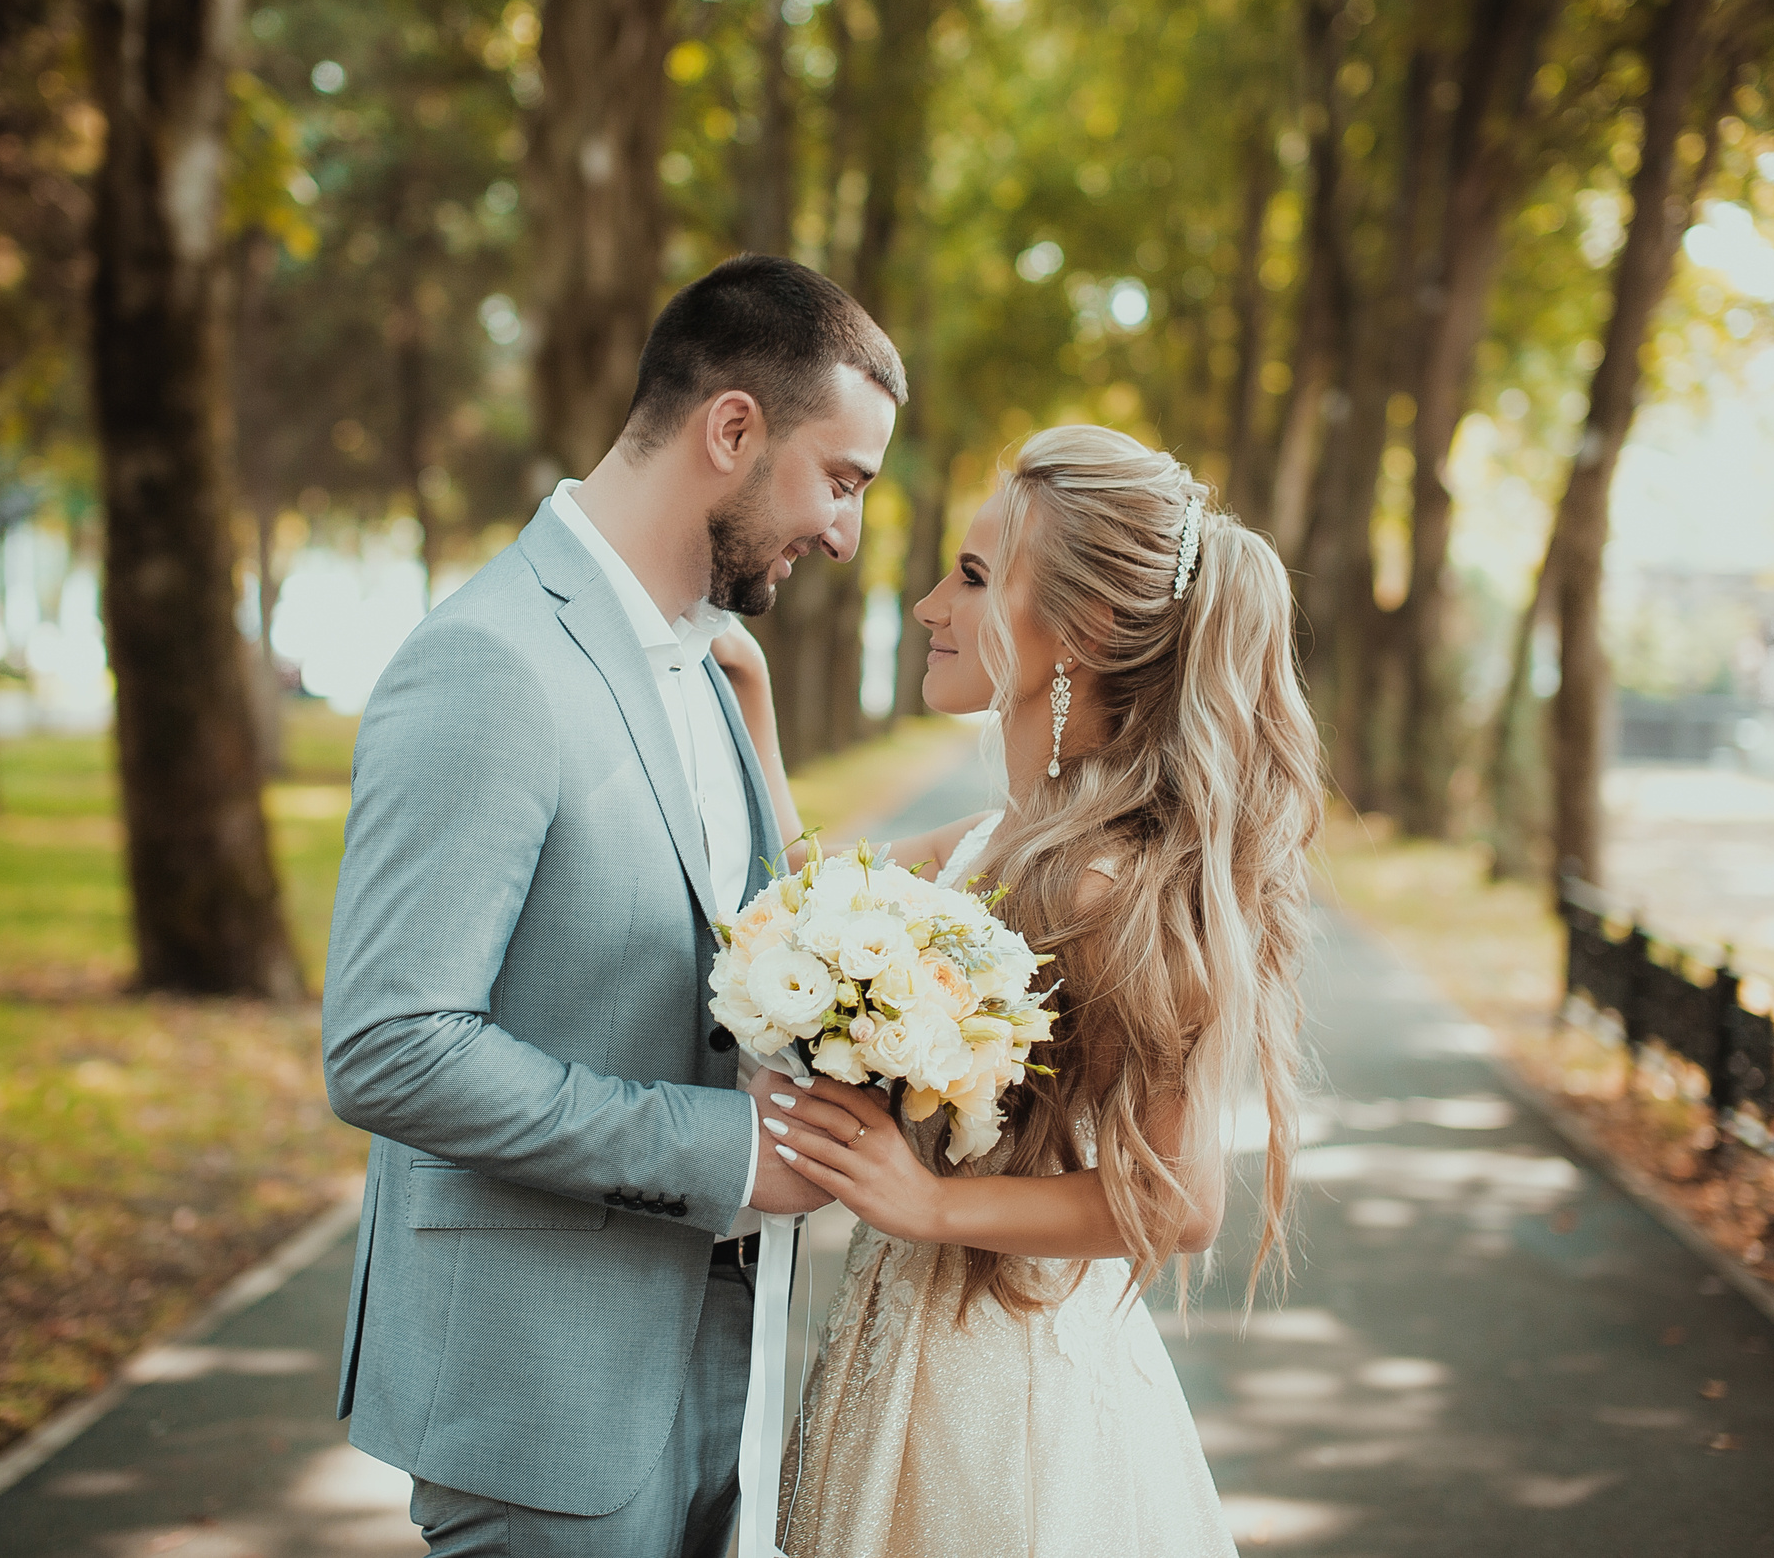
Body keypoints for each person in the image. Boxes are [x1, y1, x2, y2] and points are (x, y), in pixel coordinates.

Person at [321, 253, 902, 1558]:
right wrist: (726, 1152)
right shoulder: (490, 661)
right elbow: (390, 1042)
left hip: (726, 1367)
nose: (846, 530)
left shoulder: (709, 665)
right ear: (733, 427)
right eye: (842, 479)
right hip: (544, 1395)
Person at [719, 424, 1322, 1557]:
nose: (929, 606)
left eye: (975, 576)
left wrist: (932, 1204)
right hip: (897, 1345)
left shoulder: (1109, 881)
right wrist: (747, 696)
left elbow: (1178, 1204)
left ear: (1081, 633)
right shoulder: (1005, 834)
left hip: (1002, 1397)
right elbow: (808, 906)